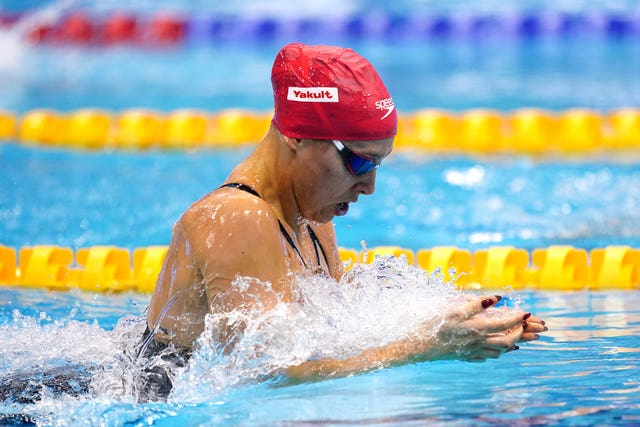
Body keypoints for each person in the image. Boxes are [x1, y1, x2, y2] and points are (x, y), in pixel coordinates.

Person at [140, 42, 547, 397]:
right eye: (356, 161)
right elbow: (258, 377)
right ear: (296, 136)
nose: (369, 186)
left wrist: (453, 322)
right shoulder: (235, 216)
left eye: (378, 164)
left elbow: (327, 335)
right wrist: (423, 348)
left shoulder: (311, 218)